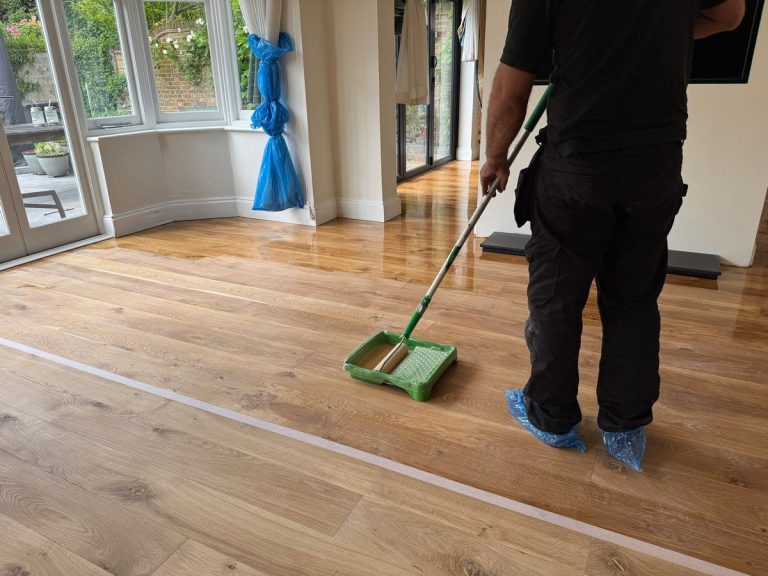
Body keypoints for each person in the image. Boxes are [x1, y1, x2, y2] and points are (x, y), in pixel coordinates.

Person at [480, 0, 746, 471]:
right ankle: (625, 426)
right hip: (655, 168)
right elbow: (730, 15)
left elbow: (511, 85)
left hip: (578, 168)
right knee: (633, 300)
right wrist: (656, 34)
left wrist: (495, 157)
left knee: (557, 299)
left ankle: (551, 418)